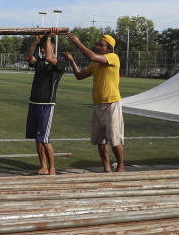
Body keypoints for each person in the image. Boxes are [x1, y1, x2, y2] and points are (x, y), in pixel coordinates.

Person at [62, 33, 124, 172]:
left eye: (101, 45)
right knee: (100, 142)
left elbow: (91, 55)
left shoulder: (113, 57)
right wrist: (72, 61)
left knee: (115, 140)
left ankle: (121, 167)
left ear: (109, 49)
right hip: (98, 105)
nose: (97, 46)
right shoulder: (95, 63)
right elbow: (79, 76)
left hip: (112, 104)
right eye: (98, 44)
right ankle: (106, 169)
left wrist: (77, 42)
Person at [24, 28, 64, 175]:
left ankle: (52, 169)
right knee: (37, 138)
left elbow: (50, 58)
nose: (42, 50)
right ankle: (43, 167)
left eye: (45, 47)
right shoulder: (40, 62)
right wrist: (35, 41)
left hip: (47, 105)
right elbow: (28, 57)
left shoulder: (59, 62)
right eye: (41, 48)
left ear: (52, 47)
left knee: (45, 138)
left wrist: (48, 38)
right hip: (34, 103)